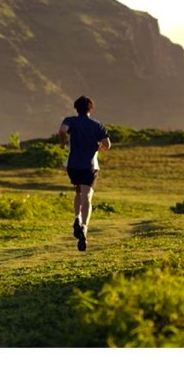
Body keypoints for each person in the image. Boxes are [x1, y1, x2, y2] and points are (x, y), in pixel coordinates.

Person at [58, 96, 111, 252]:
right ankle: (84, 227)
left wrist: (63, 142)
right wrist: (97, 148)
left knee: (78, 191)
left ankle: (76, 218)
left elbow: (62, 130)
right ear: (90, 108)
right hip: (89, 165)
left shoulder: (71, 121)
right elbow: (107, 144)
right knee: (87, 197)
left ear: (76, 108)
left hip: (72, 164)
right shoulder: (96, 125)